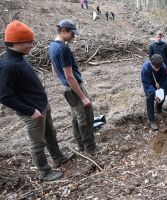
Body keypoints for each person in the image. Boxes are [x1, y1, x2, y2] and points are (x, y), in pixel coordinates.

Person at [0, 21, 75, 181]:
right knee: (37, 143)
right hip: (32, 112)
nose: (32, 46)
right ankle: (44, 172)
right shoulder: (8, 65)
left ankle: (58, 158)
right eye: (29, 42)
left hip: (42, 106)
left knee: (50, 134)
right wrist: (30, 111)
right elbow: (4, 96)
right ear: (17, 42)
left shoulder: (20, 57)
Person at [48, 19, 97, 154]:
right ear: (64, 31)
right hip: (74, 87)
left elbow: (54, 71)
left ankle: (79, 145)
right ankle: (90, 148)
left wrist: (65, 82)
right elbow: (70, 76)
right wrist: (82, 96)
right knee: (85, 116)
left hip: (67, 87)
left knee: (76, 116)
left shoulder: (51, 46)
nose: (74, 36)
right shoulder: (63, 49)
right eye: (72, 33)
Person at [141, 54, 167, 131]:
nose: (157, 70)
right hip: (149, 83)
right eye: (155, 68)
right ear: (151, 63)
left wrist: (161, 94)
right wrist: (155, 93)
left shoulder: (163, 68)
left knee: (163, 95)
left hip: (158, 82)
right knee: (149, 98)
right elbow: (147, 84)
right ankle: (151, 119)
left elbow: (164, 82)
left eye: (158, 68)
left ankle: (158, 108)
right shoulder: (145, 68)